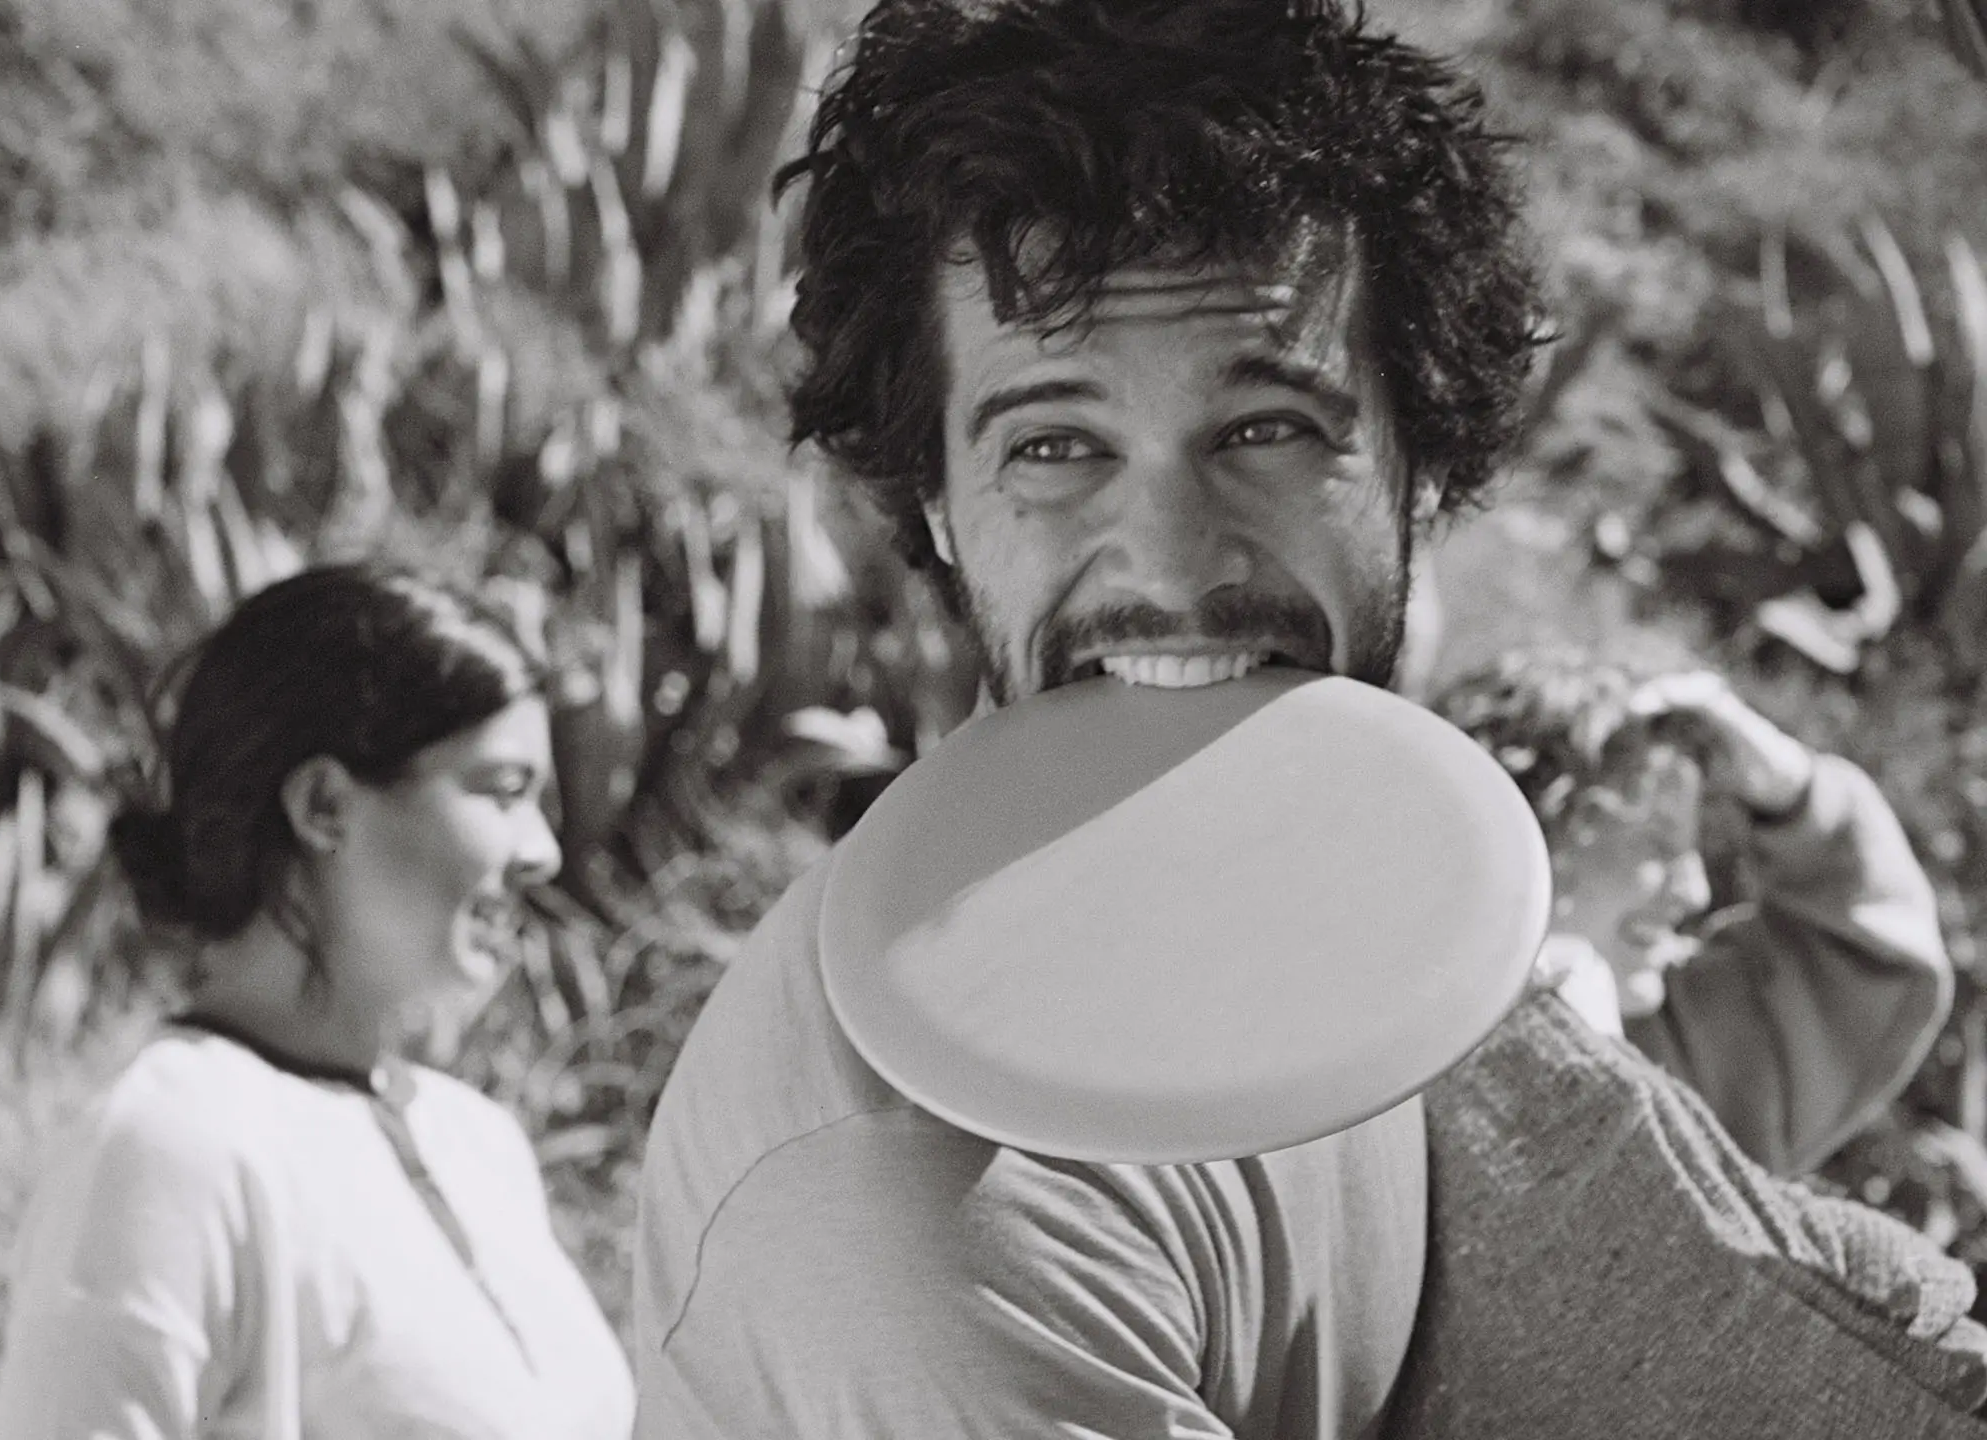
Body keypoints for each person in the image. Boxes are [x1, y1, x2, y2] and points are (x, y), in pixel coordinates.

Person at [632, 1, 1547, 1434]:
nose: (1176, 564)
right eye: (1056, 447)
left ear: (1422, 462)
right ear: (933, 501)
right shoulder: (906, 1216)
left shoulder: (1363, 920)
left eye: (1266, 430)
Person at [0, 565, 635, 1440]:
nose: (543, 852)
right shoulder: (170, 1152)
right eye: (504, 791)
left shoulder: (481, 1144)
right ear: (324, 805)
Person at [1433, 651, 1952, 1177]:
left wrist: (1795, 794)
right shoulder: (1383, 1014)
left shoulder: (1679, 1055)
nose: (1695, 891)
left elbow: (1869, 970)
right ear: (1526, 824)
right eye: (1658, 844)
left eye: (1693, 847)